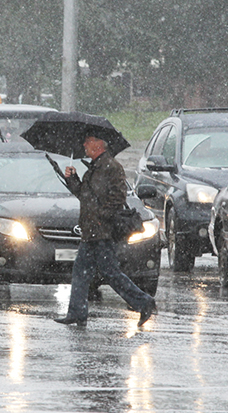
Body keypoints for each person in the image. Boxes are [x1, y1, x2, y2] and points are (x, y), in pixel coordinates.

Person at [54, 132, 157, 327]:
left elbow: (118, 198)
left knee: (111, 273)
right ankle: (77, 313)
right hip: (90, 231)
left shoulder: (112, 167)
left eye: (88, 140)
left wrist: (101, 218)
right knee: (81, 272)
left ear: (99, 145)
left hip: (102, 232)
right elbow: (84, 196)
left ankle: (144, 302)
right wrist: (72, 178)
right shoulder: (93, 168)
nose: (84, 143)